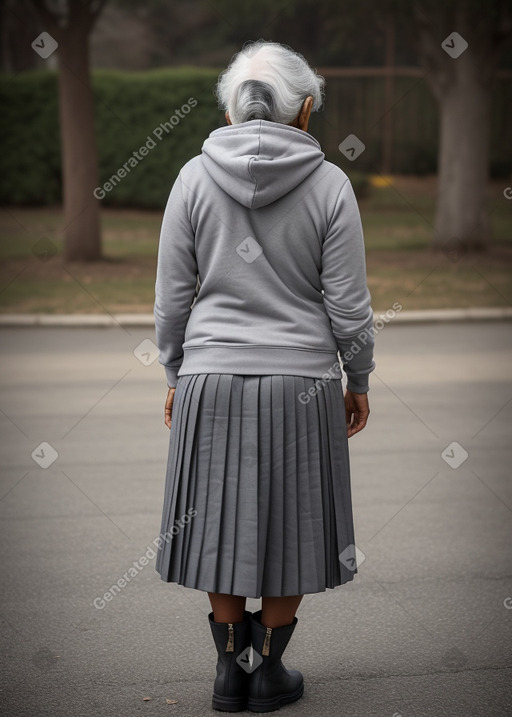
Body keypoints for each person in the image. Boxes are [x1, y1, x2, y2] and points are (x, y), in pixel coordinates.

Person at [153, 39, 375, 713]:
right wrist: (357, 378)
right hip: (302, 382)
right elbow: (350, 305)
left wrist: (174, 369)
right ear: (305, 110)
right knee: (297, 523)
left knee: (216, 519)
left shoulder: (192, 177)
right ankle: (269, 670)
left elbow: (172, 297)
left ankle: (230, 671)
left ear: (228, 109)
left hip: (210, 377)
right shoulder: (331, 184)